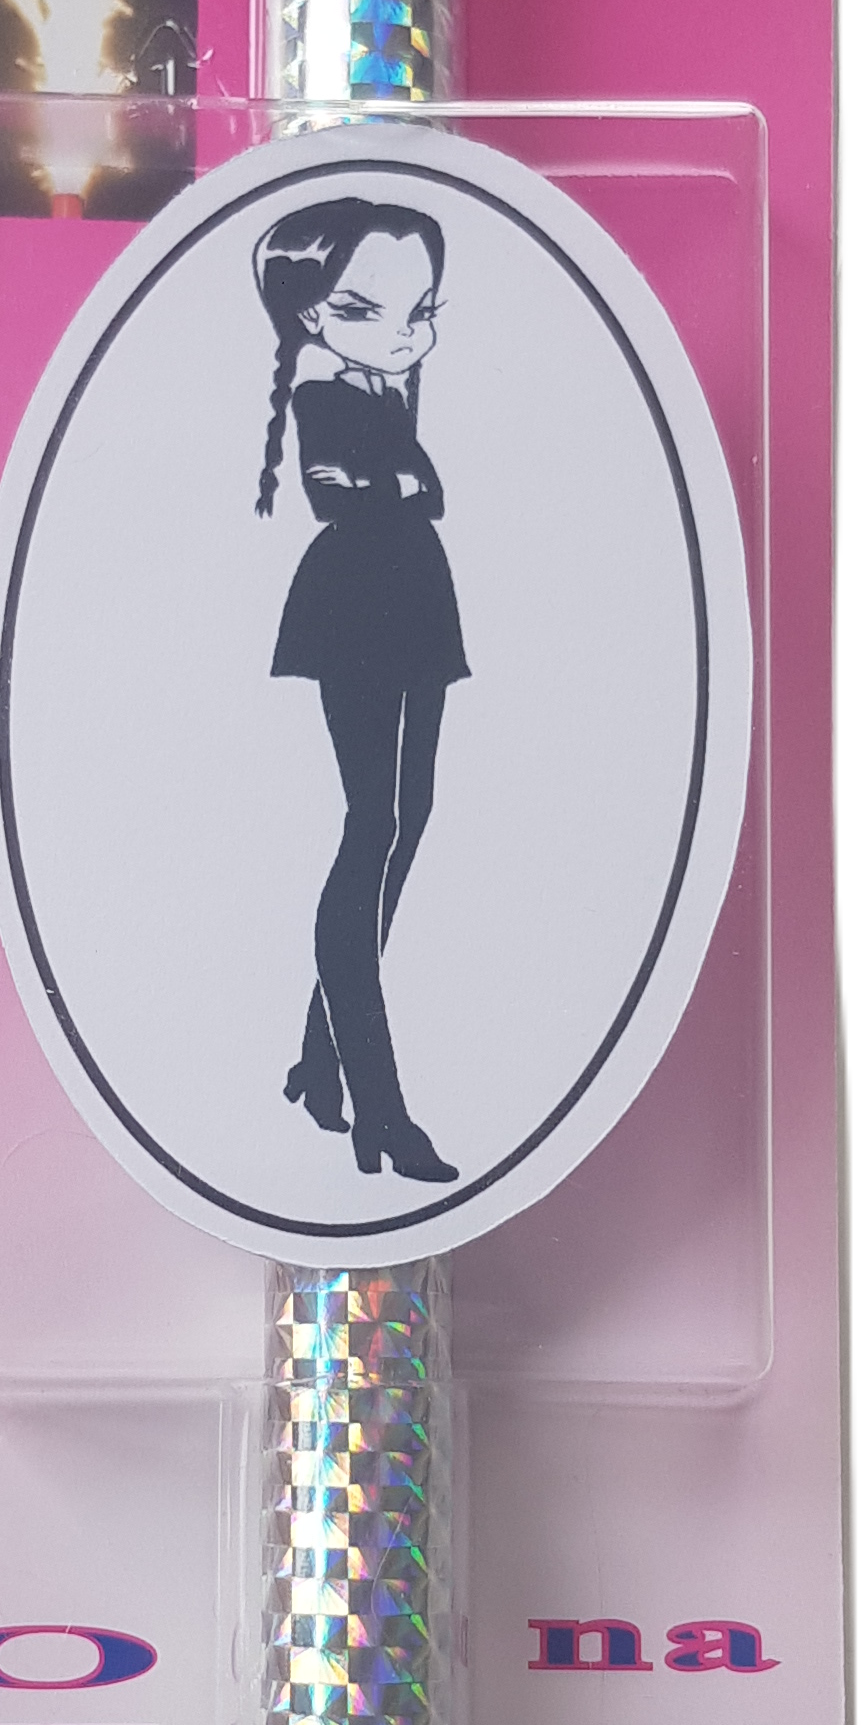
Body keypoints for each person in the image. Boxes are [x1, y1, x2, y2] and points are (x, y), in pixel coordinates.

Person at [253, 196, 468, 1183]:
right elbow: (338, 492)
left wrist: (405, 488)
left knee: (406, 820)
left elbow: (423, 492)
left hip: (413, 597)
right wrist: (404, 489)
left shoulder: (382, 395)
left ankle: (320, 1059)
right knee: (372, 828)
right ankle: (380, 1109)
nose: (403, 333)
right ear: (311, 314)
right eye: (363, 310)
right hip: (357, 606)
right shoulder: (325, 397)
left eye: (421, 312)